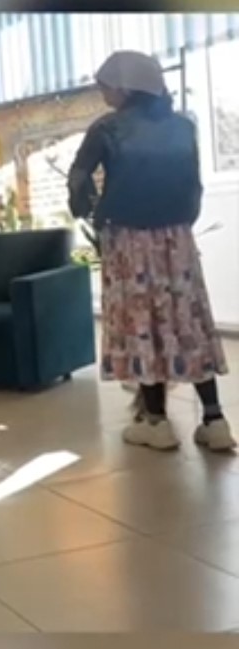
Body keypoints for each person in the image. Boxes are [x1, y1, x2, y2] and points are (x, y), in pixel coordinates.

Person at [67, 50, 234, 451]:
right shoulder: (183, 126)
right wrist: (179, 224)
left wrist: (89, 212)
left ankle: (156, 422)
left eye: (106, 86)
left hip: (129, 240)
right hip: (177, 238)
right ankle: (215, 420)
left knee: (142, 324)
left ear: (125, 88)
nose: (103, 94)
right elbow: (194, 186)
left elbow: (78, 178)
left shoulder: (107, 128)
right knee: (187, 322)